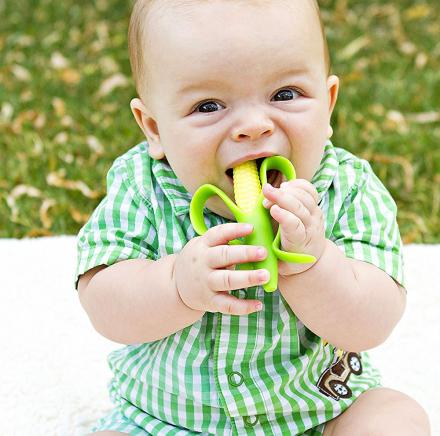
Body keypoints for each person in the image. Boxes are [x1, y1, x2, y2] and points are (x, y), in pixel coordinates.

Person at [76, 0, 430, 434]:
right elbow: (104, 305)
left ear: (329, 103)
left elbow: (372, 322)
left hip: (318, 413)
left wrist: (313, 262)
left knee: (395, 417)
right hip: (168, 421)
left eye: (285, 95)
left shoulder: (347, 187)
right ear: (153, 128)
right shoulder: (142, 186)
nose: (253, 125)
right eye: (208, 106)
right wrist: (175, 286)